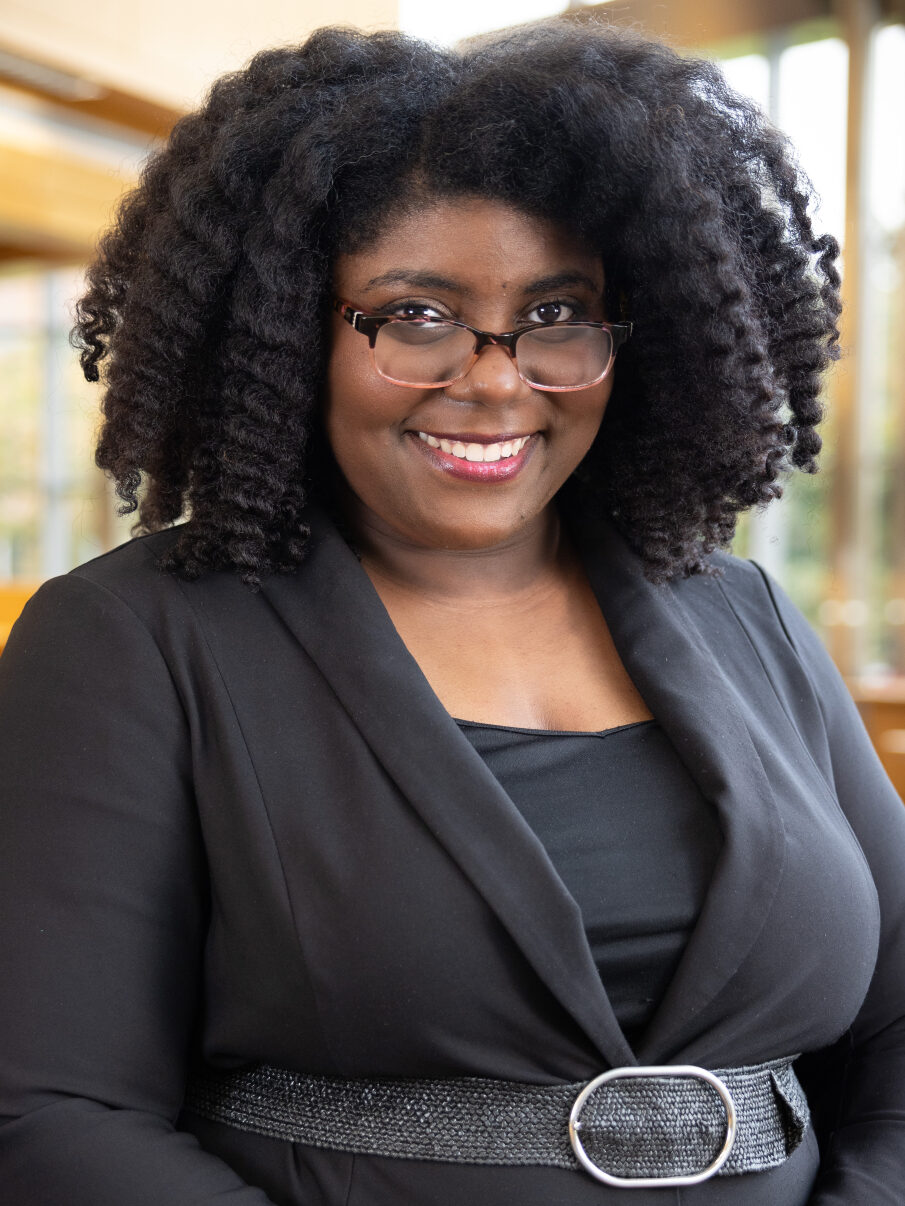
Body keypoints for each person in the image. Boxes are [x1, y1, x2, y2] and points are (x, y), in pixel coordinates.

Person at [0, 18, 903, 1205]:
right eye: (414, 315)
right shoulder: (132, 640)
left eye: (554, 313)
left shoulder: (738, 611)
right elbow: (52, 1113)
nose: (491, 378)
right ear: (284, 332)